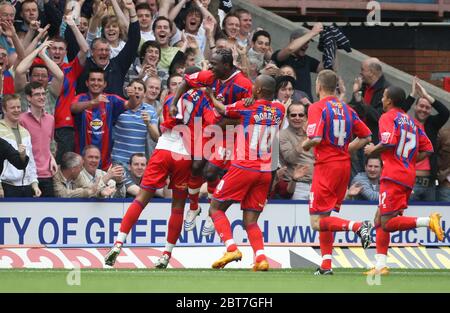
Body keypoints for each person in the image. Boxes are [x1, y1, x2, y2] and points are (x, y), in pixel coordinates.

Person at [104, 85, 194, 269]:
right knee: (177, 208)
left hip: (163, 149)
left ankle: (118, 243)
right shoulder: (203, 100)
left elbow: (162, 124)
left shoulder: (170, 98)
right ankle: (166, 255)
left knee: (141, 200)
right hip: (184, 154)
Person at [169, 48, 252, 235]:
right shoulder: (211, 76)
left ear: (227, 65)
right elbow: (186, 82)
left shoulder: (243, 85)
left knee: (211, 171)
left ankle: (213, 213)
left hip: (231, 133)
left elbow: (247, 116)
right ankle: (193, 208)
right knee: (196, 166)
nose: (210, 67)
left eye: (214, 64)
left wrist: (224, 123)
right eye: (211, 63)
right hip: (213, 129)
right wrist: (175, 102)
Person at [206, 74, 285, 271]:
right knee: (250, 220)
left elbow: (223, 109)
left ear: (257, 90)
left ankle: (231, 248)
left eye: (254, 86)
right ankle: (261, 258)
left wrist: (210, 96)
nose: (250, 87)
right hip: (265, 172)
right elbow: (269, 107)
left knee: (215, 208)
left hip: (244, 167)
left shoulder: (247, 106)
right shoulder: (280, 110)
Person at [363, 86, 444, 276]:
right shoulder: (411, 121)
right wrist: (407, 160)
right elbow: (428, 148)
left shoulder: (387, 117)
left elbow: (389, 142)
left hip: (393, 176)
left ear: (389, 100)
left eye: (383, 96)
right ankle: (380, 265)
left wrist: (372, 150)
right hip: (407, 175)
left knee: (387, 223)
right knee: (379, 219)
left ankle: (427, 221)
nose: (381, 99)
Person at [302, 70, 373, 275]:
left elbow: (315, 139)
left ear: (318, 85)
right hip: (344, 167)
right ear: (335, 88)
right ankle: (326, 265)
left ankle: (358, 226)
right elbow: (367, 136)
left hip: (326, 167)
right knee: (326, 216)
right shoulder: (347, 109)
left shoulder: (317, 107)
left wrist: (304, 146)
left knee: (317, 222)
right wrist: (346, 149)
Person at [71, 68, 127, 170]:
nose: (96, 83)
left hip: (105, 164)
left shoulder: (111, 99)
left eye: (99, 80)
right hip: (81, 164)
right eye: (92, 80)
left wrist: (132, 96)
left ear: (105, 84)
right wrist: (92, 102)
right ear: (87, 83)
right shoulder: (80, 98)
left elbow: (129, 105)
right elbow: (73, 108)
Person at [406, 79, 449, 201]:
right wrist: (412, 95)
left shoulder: (432, 124)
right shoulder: (406, 123)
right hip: (411, 182)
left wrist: (426, 96)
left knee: (431, 219)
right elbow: (398, 111)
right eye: (421, 106)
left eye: (427, 107)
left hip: (430, 184)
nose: (423, 110)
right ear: (415, 107)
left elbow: (445, 113)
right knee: (407, 217)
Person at [19, 82, 57, 197]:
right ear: (29, 98)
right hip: (28, 175)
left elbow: (48, 145)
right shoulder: (21, 119)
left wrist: (52, 159)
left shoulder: (51, 119)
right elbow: (21, 148)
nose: (42, 97)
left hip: (47, 175)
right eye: (37, 94)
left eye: (43, 94)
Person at [0, 94, 40, 197]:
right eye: (12, 107)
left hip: (26, 187)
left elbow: (30, 160)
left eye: (18, 107)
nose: (17, 110)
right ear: (4, 110)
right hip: (6, 186)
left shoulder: (25, 132)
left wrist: (34, 184)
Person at [271, 23, 323, 101]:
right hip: (286, 104)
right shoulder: (282, 56)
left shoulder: (307, 59)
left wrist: (332, 48)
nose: (306, 45)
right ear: (293, 40)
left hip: (305, 106)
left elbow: (326, 68)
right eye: (304, 42)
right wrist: (312, 32)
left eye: (308, 42)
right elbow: (290, 49)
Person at [279, 103, 314, 200]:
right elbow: (290, 158)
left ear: (306, 117)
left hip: (316, 185)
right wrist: (305, 137)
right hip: (297, 185)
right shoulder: (282, 135)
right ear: (287, 117)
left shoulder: (313, 135)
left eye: (301, 115)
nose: (297, 118)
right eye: (293, 115)